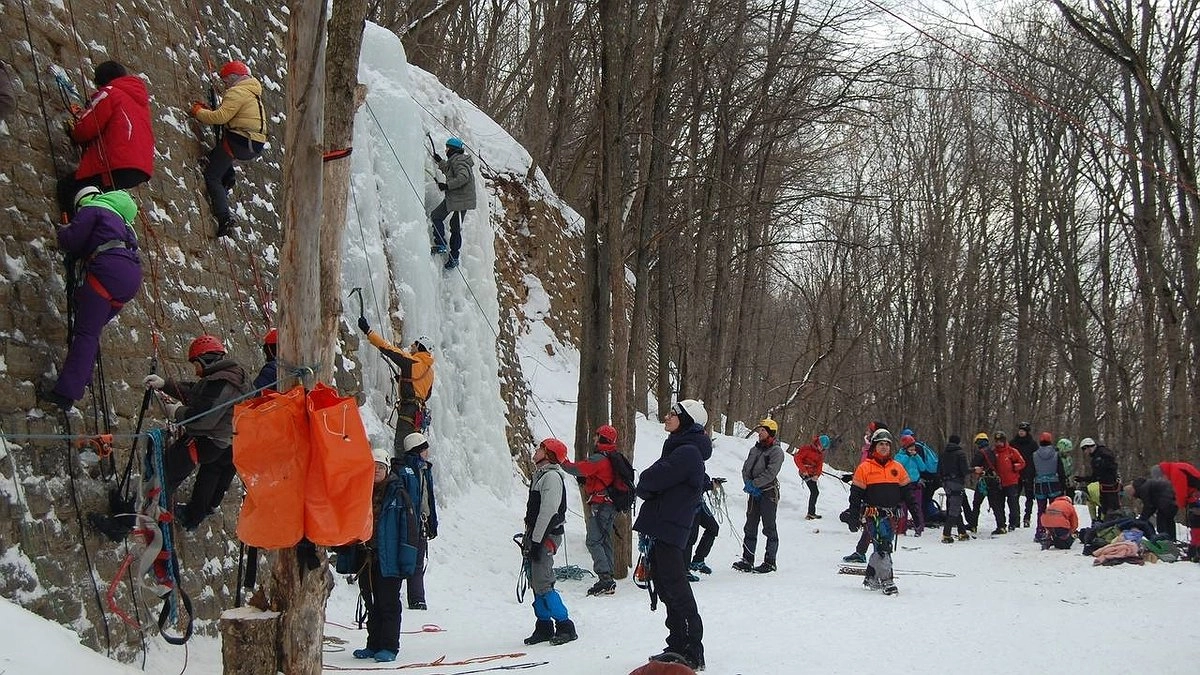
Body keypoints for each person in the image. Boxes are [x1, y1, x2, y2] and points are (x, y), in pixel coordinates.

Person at [39, 188, 142, 410]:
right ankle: (81, 376)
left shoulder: (92, 208)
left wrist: (63, 230)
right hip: (129, 278)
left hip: (107, 272)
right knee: (90, 330)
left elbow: (72, 240)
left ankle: (66, 393)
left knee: (86, 332)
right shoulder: (125, 224)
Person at [633, 400, 710, 671]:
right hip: (664, 527)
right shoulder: (679, 449)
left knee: (675, 588)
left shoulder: (687, 453)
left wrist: (650, 487)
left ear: (687, 421)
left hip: (670, 527)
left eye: (673, 414)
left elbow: (648, 481)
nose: (667, 416)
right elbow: (650, 483)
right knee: (666, 588)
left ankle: (691, 647)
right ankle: (677, 643)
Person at [142, 335, 248, 530]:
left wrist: (177, 412)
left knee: (165, 472)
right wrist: (165, 384)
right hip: (218, 441)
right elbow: (196, 393)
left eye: (196, 364)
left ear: (205, 360)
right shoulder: (225, 378)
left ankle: (141, 519)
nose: (196, 371)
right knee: (168, 472)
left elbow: (203, 418)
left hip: (207, 440)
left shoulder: (223, 382)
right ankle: (153, 514)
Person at [56, 61, 155, 215]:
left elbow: (86, 129)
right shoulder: (139, 102)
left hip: (115, 163)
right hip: (139, 169)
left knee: (69, 188)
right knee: (99, 197)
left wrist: (75, 129)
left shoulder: (109, 92)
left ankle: (77, 230)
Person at [350, 448, 416, 663]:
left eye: (380, 467)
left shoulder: (398, 494)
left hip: (389, 558)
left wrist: (407, 561)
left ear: (387, 469)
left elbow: (408, 528)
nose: (376, 470)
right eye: (373, 467)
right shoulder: (362, 492)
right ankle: (373, 644)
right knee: (370, 602)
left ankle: (389, 646)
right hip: (367, 556)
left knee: (388, 602)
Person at [189, 60, 267, 237]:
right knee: (219, 156)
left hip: (240, 139)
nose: (225, 85)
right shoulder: (252, 92)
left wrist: (198, 112)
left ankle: (224, 218)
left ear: (233, 78)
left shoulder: (237, 91)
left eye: (225, 81)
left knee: (212, 176)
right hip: (254, 143)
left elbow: (220, 117)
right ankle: (229, 175)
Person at [849, 429, 919, 595]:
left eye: (887, 444)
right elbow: (855, 496)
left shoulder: (897, 468)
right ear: (874, 446)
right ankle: (887, 580)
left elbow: (908, 494)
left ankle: (871, 576)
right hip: (873, 515)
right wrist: (853, 517)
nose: (884, 447)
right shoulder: (864, 468)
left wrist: (916, 514)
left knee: (884, 545)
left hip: (891, 515)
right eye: (881, 444)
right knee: (883, 546)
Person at [521, 438, 577, 647]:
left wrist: (537, 541)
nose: (536, 451)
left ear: (549, 454)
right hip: (537, 535)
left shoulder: (551, 477)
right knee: (535, 581)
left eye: (540, 448)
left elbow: (549, 512)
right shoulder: (542, 476)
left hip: (545, 537)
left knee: (543, 581)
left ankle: (565, 625)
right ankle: (543, 625)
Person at [560, 424, 620, 596]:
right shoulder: (610, 457)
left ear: (602, 438)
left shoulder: (599, 459)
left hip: (600, 506)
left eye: (596, 436)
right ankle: (608, 576)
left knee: (593, 541)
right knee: (604, 539)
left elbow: (577, 468)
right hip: (609, 505)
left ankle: (605, 579)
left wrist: (562, 461)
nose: (594, 439)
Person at [357, 317, 435, 441]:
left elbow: (389, 349)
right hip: (419, 414)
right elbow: (426, 395)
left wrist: (368, 331)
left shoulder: (412, 361)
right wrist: (405, 381)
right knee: (412, 444)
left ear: (420, 346)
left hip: (408, 410)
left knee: (401, 443)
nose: (411, 346)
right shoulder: (430, 372)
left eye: (415, 344)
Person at [733, 418, 784, 573]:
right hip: (754, 493)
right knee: (750, 525)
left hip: (768, 492)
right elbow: (746, 468)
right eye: (759, 430)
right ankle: (747, 559)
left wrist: (755, 484)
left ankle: (770, 561)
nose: (759, 433)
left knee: (769, 526)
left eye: (763, 430)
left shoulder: (776, 451)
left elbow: (771, 473)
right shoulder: (755, 449)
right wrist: (747, 482)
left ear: (770, 433)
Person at [398, 433, 438, 610]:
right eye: (425, 448)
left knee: (417, 559)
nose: (428, 452)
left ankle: (417, 598)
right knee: (410, 559)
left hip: (419, 521)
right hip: (410, 521)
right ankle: (415, 598)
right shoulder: (407, 471)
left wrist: (431, 523)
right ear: (419, 450)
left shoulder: (423, 470)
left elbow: (428, 499)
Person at [429, 137, 477, 269]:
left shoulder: (458, 161)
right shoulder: (457, 160)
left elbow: (463, 176)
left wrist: (447, 186)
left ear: (452, 149)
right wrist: (440, 161)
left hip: (460, 199)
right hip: (461, 199)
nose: (445, 150)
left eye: (447, 148)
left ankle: (441, 245)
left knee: (436, 216)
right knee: (455, 227)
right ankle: (453, 257)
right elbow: (450, 169)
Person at [1157, 461, 1200, 561]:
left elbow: (1180, 490)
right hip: (1194, 496)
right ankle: (1193, 552)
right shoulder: (1175, 468)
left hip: (1196, 498)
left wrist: (1181, 504)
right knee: (1195, 525)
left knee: (1196, 524)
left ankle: (1195, 551)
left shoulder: (1175, 471)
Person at [1030, 432, 1067, 542]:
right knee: (1055, 509)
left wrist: (1030, 486)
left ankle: (1040, 531)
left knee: (1041, 509)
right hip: (1054, 485)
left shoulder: (1034, 455)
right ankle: (1055, 531)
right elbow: (1061, 471)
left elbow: (1031, 471)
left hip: (1040, 485)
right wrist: (1063, 485)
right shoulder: (1056, 454)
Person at [686, 476, 724, 578]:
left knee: (713, 527)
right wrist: (710, 485)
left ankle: (698, 560)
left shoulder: (697, 461)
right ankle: (684, 570)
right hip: (690, 504)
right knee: (690, 537)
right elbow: (693, 483)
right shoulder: (690, 461)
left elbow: (701, 477)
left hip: (698, 502)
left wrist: (710, 482)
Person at [1075, 438, 1119, 520]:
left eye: (1084, 450)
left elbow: (1098, 475)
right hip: (1109, 487)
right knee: (1108, 509)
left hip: (1107, 489)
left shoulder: (1100, 456)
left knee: (1109, 510)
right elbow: (1096, 476)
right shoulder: (1103, 453)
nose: (1085, 453)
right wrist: (1083, 479)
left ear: (1088, 447)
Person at [938, 435, 971, 543]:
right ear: (959, 442)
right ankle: (946, 534)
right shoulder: (960, 454)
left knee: (954, 507)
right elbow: (965, 470)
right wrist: (975, 469)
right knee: (954, 509)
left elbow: (938, 470)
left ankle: (962, 532)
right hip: (956, 483)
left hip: (946, 484)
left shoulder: (943, 454)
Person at [894, 435, 926, 536]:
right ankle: (901, 528)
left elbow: (923, 467)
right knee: (903, 508)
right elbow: (898, 465)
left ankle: (919, 527)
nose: (913, 449)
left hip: (915, 485)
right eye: (910, 447)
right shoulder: (900, 456)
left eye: (914, 447)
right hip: (903, 485)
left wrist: (916, 456)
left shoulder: (915, 456)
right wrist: (907, 456)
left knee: (917, 507)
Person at [790, 434, 827, 519]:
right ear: (818, 443)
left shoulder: (820, 454)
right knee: (815, 492)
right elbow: (797, 458)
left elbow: (819, 466)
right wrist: (803, 470)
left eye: (823, 448)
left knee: (815, 492)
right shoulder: (806, 449)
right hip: (804, 473)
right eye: (821, 447)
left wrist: (817, 475)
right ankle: (810, 513)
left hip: (812, 474)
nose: (822, 449)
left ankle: (811, 513)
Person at [1011, 422, 1038, 528]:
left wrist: (1034, 471)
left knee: (1029, 497)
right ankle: (1015, 518)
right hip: (1016, 473)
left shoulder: (1032, 444)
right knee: (1014, 497)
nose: (1021, 432)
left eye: (1023, 431)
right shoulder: (1013, 443)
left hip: (1029, 473)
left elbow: (1036, 459)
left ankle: (1027, 517)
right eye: (1020, 430)